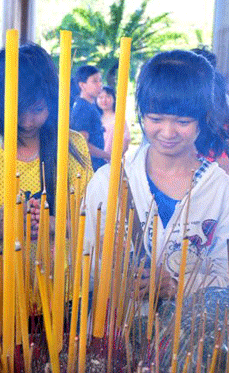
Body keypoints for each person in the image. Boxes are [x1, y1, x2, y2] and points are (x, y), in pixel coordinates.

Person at [85, 50, 229, 301]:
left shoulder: (220, 189)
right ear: (141, 114)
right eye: (155, 118)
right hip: (116, 334)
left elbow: (225, 274)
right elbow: (83, 263)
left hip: (191, 338)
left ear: (203, 119)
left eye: (183, 121)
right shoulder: (109, 181)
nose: (168, 132)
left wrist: (176, 285)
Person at [0, 43, 92, 242]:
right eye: (17, 111)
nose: (27, 122)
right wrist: (4, 228)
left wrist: (50, 223)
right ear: (0, 105)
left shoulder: (71, 145)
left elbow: (92, 222)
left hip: (61, 271)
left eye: (37, 110)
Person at [70, 65, 109, 170]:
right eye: (95, 81)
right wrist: (108, 156)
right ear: (82, 85)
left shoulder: (89, 106)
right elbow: (82, 144)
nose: (100, 84)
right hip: (90, 167)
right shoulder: (83, 108)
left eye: (100, 80)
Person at [96, 86, 131, 156]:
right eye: (100, 97)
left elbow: (126, 139)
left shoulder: (119, 118)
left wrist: (114, 158)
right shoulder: (95, 118)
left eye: (108, 97)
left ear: (114, 99)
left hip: (112, 162)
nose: (104, 100)